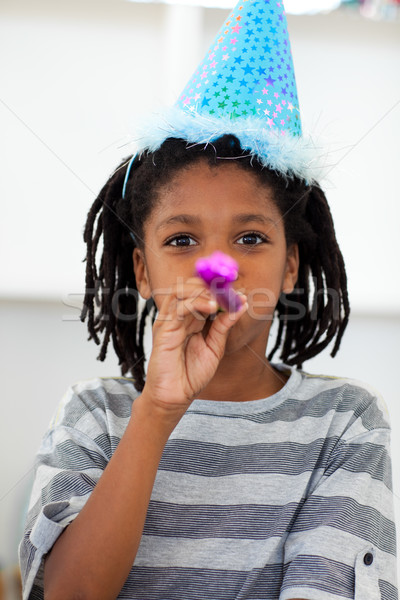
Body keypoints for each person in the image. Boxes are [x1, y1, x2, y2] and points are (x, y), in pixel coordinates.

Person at [19, 1, 397, 599]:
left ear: (291, 266)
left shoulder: (345, 421)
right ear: (141, 271)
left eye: (251, 238)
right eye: (181, 239)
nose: (215, 267)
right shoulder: (94, 416)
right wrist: (157, 411)